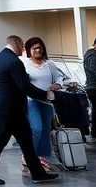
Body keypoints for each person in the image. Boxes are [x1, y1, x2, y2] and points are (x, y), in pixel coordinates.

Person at [0, 35, 59, 185]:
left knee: (26, 140)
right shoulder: (14, 61)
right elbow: (24, 86)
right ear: (18, 43)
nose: (23, 49)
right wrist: (44, 95)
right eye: (22, 46)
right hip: (10, 108)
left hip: (4, 106)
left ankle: (38, 173)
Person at [22, 37, 64, 174]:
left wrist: (57, 84)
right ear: (29, 50)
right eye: (34, 48)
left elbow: (60, 78)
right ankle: (28, 156)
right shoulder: (24, 64)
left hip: (47, 102)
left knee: (46, 130)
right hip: (31, 101)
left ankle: (44, 157)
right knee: (37, 129)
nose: (37, 50)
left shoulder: (49, 64)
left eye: (39, 48)